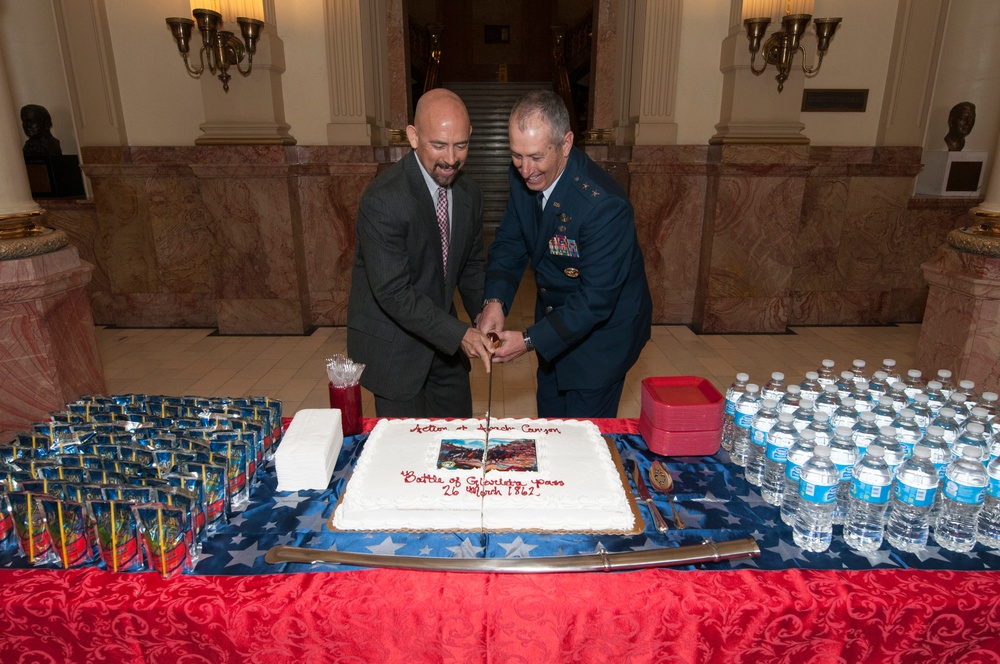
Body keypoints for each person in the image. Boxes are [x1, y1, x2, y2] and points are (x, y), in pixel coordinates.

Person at [478, 89, 652, 418]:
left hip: (602, 340)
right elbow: (510, 241)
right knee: (551, 427)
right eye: (517, 155)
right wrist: (495, 301)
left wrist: (528, 340)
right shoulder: (521, 179)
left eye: (536, 157)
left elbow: (596, 299)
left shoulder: (603, 206)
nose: (525, 169)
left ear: (566, 144)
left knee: (583, 439)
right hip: (556, 324)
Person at [347, 88, 495, 417]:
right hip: (394, 348)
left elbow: (471, 266)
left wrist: (484, 313)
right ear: (413, 137)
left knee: (459, 444)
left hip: (444, 346)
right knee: (405, 456)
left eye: (461, 145)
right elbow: (393, 292)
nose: (451, 159)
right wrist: (460, 335)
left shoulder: (469, 193)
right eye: (439, 145)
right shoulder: (383, 199)